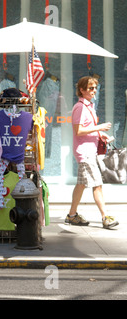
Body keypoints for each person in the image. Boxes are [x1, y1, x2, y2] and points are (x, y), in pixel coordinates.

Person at [66, 76, 119, 229]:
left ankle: (72, 215)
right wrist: (99, 127)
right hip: (85, 152)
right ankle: (105, 217)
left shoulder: (88, 106)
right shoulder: (81, 107)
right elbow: (78, 130)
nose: (94, 90)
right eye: (90, 88)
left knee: (81, 185)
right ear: (81, 90)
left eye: (95, 87)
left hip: (88, 151)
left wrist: (101, 135)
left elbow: (86, 129)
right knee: (97, 184)